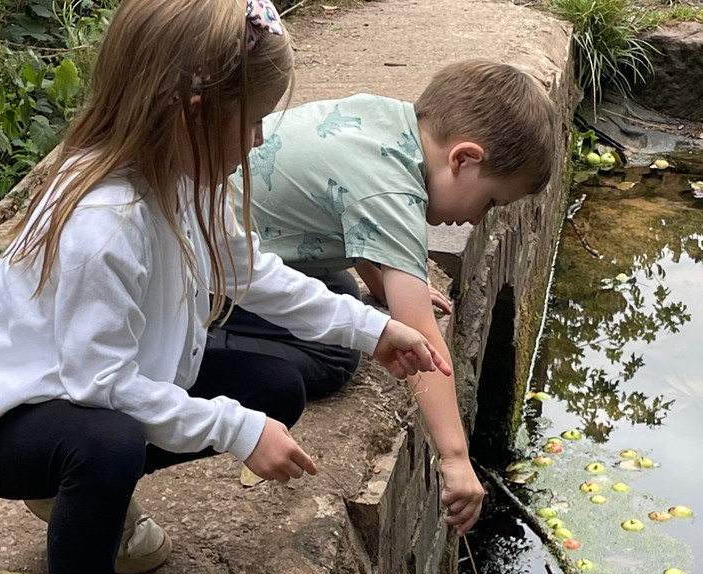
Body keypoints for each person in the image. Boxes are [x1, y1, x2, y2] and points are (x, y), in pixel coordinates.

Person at [0, 0, 450, 574]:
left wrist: (370, 328)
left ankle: (78, 503)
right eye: (249, 124)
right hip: (5, 420)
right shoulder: (103, 222)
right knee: (107, 442)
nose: (256, 141)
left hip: (95, 381)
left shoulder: (183, 175)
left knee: (276, 387)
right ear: (192, 112)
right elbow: (101, 387)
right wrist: (234, 432)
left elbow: (251, 272)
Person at [209, 59, 558, 538]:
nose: (480, 221)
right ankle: (211, 341)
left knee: (343, 289)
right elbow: (420, 340)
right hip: (211, 277)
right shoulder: (392, 190)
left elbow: (354, 218)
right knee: (333, 357)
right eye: (491, 201)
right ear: (463, 160)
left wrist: (386, 284)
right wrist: (455, 459)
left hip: (243, 238)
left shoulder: (391, 124)